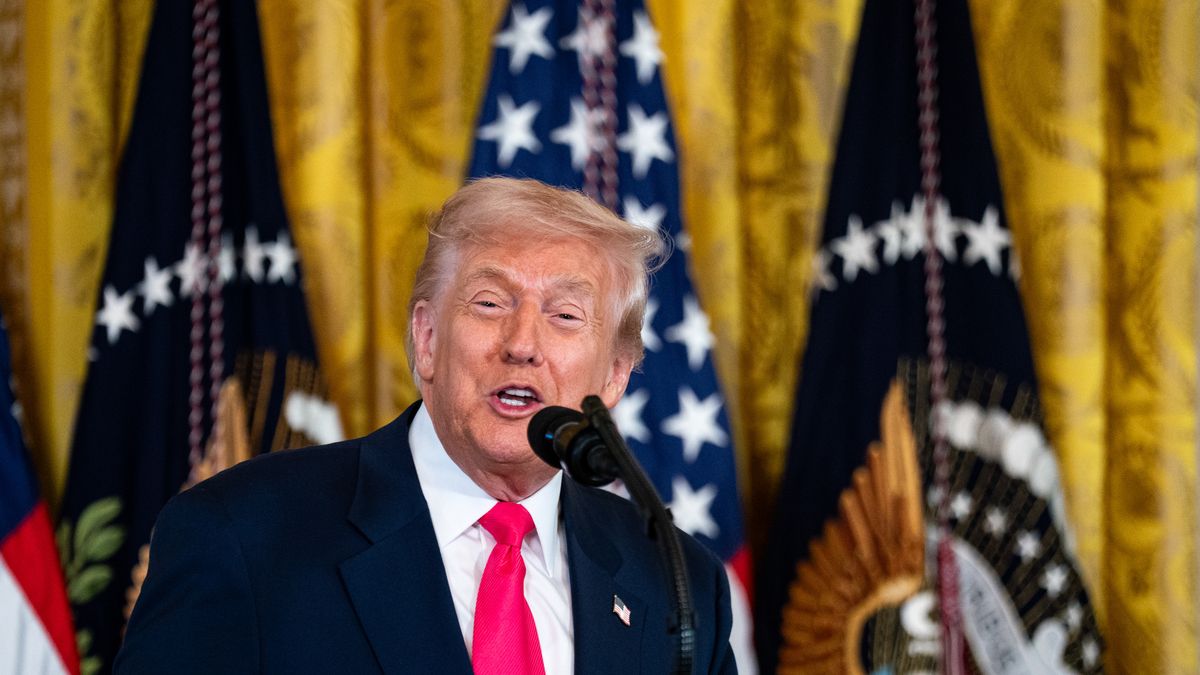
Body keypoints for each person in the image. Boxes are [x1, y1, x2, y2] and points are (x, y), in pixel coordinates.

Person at [116, 177, 735, 674]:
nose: (523, 344)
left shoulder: (679, 584)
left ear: (615, 377)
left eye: (566, 315)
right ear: (428, 338)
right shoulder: (241, 537)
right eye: (490, 303)